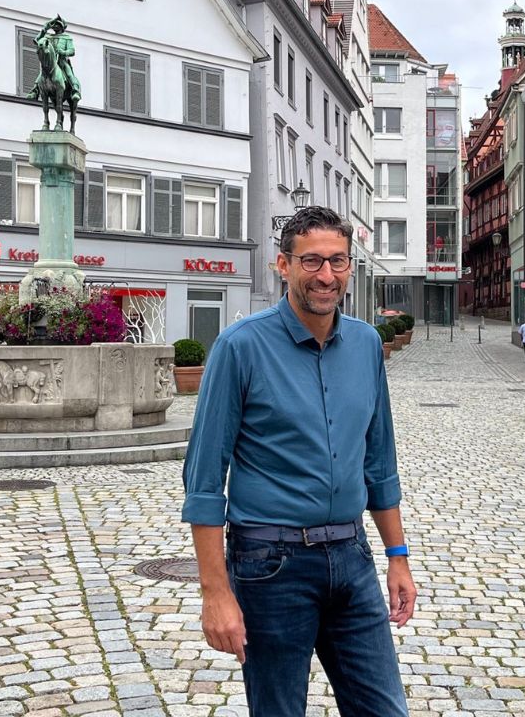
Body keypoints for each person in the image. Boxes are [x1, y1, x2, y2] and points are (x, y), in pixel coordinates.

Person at [182, 206, 415, 717]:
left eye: (337, 262)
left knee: (384, 710)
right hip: (271, 566)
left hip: (352, 560)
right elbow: (203, 482)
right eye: (311, 261)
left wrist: (397, 556)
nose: (326, 276)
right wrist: (215, 592)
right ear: (282, 265)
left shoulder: (367, 344)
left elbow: (379, 463)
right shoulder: (239, 347)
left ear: (350, 266)